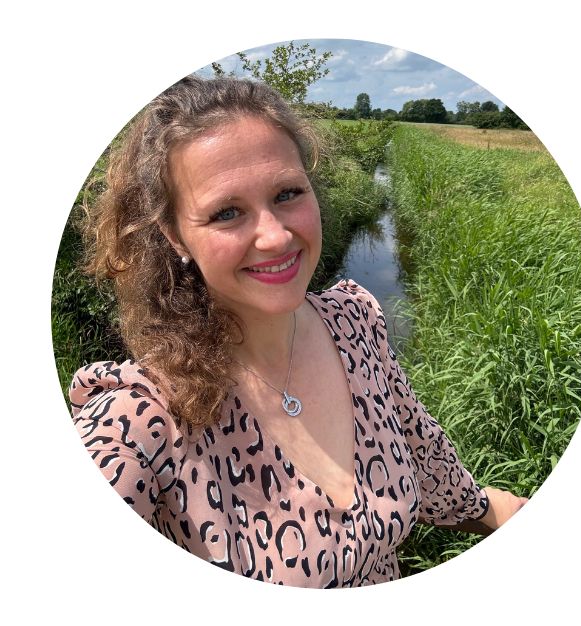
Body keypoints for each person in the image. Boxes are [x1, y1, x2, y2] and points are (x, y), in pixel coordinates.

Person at [70, 76, 528, 587]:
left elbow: (436, 473)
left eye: (287, 193)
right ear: (175, 236)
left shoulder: (355, 323)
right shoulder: (140, 418)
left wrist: (497, 508)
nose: (275, 236)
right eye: (227, 213)